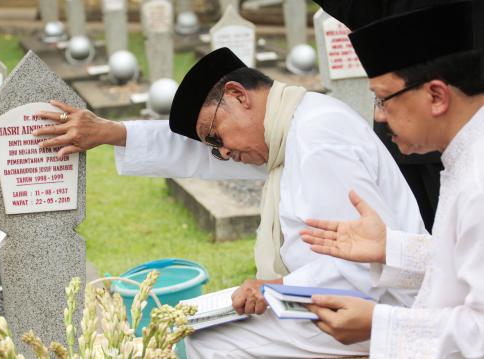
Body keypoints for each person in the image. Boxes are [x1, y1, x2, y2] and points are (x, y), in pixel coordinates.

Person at [34, 47, 426, 357]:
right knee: (198, 324)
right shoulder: (292, 124)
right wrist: (112, 132)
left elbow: (356, 270)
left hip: (383, 307)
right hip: (329, 293)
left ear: (238, 96)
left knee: (207, 342)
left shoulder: (317, 140)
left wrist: (274, 287)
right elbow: (194, 150)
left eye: (217, 139)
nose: (222, 154)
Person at [300, 2, 484, 357]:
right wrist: (391, 248)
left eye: (384, 99)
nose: (379, 117)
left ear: (436, 95)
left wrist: (380, 323)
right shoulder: (466, 153)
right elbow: (466, 262)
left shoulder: (478, 181)